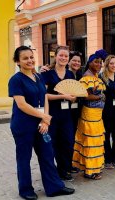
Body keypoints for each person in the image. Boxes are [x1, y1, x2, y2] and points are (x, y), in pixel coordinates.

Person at [9, 46, 74, 200]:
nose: (29, 60)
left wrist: (45, 118)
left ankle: (54, 187)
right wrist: (43, 116)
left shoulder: (38, 77)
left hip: (41, 124)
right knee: (24, 158)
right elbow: (22, 105)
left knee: (47, 154)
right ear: (18, 61)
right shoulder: (16, 80)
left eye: (31, 57)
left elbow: (44, 97)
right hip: (23, 125)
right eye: (25, 58)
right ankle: (25, 190)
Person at [41, 46, 76, 181]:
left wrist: (72, 97)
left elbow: (73, 94)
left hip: (67, 115)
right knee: (53, 144)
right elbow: (43, 95)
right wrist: (62, 96)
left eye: (66, 56)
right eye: (61, 55)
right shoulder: (47, 74)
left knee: (67, 142)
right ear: (55, 56)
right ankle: (56, 171)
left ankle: (65, 169)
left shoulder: (70, 74)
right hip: (52, 114)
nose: (63, 58)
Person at [72, 51, 106, 180]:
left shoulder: (96, 76)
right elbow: (85, 95)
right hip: (89, 114)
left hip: (97, 115)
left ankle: (91, 167)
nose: (98, 64)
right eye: (96, 62)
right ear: (89, 63)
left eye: (100, 62)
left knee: (95, 140)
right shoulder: (86, 78)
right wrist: (99, 96)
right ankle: (89, 171)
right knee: (90, 141)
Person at [99, 55, 115, 169]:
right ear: (107, 64)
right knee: (107, 135)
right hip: (106, 110)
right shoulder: (101, 77)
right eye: (112, 63)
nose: (114, 65)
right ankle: (107, 158)